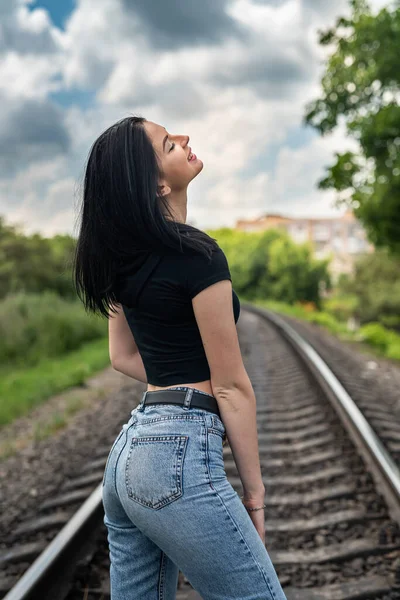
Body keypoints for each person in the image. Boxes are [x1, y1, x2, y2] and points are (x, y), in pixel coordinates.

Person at [72, 115, 287, 600]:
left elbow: (122, 356)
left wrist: (181, 376)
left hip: (129, 453)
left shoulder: (122, 258)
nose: (186, 139)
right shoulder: (198, 255)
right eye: (170, 143)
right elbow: (231, 387)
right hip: (176, 455)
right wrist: (254, 496)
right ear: (158, 183)